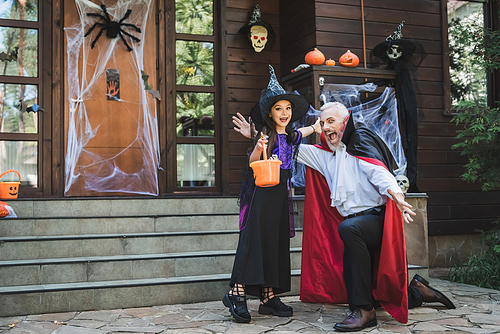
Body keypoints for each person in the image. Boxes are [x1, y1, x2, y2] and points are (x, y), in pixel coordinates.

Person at [235, 101, 456, 331]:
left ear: (345, 121)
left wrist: (397, 194)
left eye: (331, 121)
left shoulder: (360, 147)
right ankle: (417, 292)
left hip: (375, 221)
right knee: (374, 289)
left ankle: (364, 311)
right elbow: (286, 147)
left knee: (349, 229)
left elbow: (379, 172)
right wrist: (254, 135)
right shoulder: (324, 156)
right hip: (353, 225)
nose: (326, 126)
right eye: (323, 123)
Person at [222, 65, 320, 323]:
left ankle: (268, 296)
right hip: (261, 194)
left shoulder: (289, 135)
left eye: (288, 108)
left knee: (275, 241)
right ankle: (236, 292)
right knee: (254, 240)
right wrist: (257, 144)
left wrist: (317, 127)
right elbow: (253, 160)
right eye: (279, 108)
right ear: (270, 112)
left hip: (280, 197)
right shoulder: (264, 135)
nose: (285, 113)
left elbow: (303, 133)